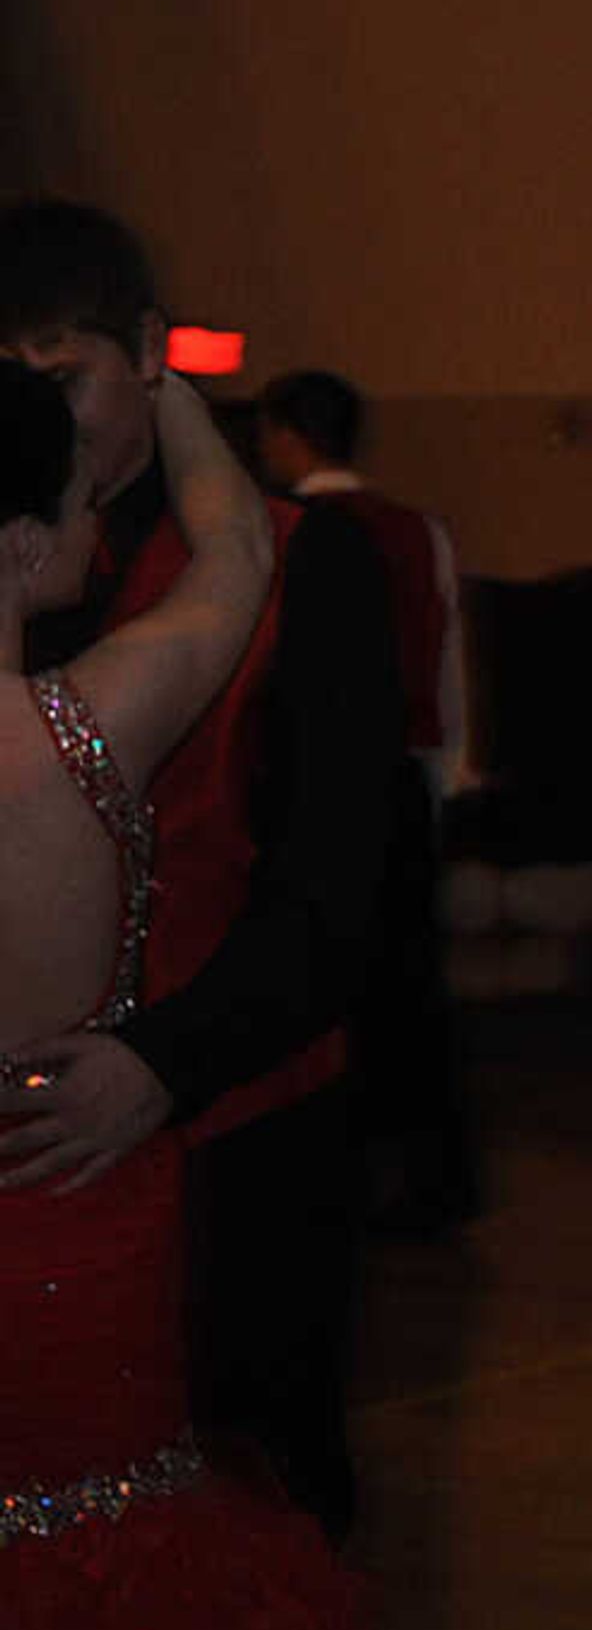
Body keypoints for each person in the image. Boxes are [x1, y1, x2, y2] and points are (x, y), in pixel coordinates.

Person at [0, 357, 592, 1630]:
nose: (104, 520)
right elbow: (237, 549)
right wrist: (168, 390)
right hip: (82, 1237)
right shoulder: (102, 715)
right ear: (19, 543)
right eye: (77, 501)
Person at [0, 203, 403, 1540]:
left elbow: (343, 883)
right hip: (39, 1177)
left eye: (65, 378)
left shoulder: (304, 556)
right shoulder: (53, 551)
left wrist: (167, 1056)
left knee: (252, 1526)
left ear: (149, 358)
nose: (44, 419)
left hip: (239, 1127)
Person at [252, 364, 481, 1238]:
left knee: (329, 984)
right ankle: (432, 1177)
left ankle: (344, 1176)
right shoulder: (419, 530)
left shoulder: (284, 533)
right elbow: (449, 655)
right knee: (413, 988)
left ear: (283, 433)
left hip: (319, 788)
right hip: (409, 782)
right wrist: (452, 771)